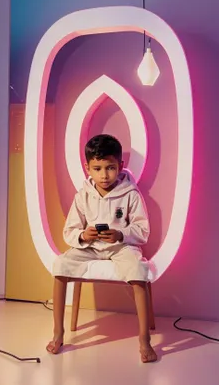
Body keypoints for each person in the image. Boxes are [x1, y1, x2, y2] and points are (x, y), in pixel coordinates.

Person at [46, 134, 157, 363]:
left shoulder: (131, 194)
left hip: (121, 247)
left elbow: (142, 231)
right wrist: (83, 235)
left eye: (110, 168)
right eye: (97, 168)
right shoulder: (83, 195)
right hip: (90, 247)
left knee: (138, 272)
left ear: (120, 167)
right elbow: (70, 231)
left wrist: (121, 234)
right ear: (88, 168)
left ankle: (144, 339)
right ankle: (58, 332)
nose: (104, 175)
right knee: (60, 265)